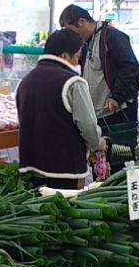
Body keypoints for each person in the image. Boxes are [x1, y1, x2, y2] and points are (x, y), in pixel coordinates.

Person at [16, 29, 105, 190]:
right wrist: (99, 143)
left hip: (32, 166)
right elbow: (88, 127)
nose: (78, 63)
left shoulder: (26, 82)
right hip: (65, 168)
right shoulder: (73, 83)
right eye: (77, 56)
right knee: (63, 212)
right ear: (65, 56)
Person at [59, 4, 139, 128]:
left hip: (116, 112)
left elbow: (130, 68)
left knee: (118, 147)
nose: (72, 36)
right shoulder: (85, 42)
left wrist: (117, 98)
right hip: (95, 114)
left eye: (71, 31)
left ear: (82, 22)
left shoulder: (113, 37)